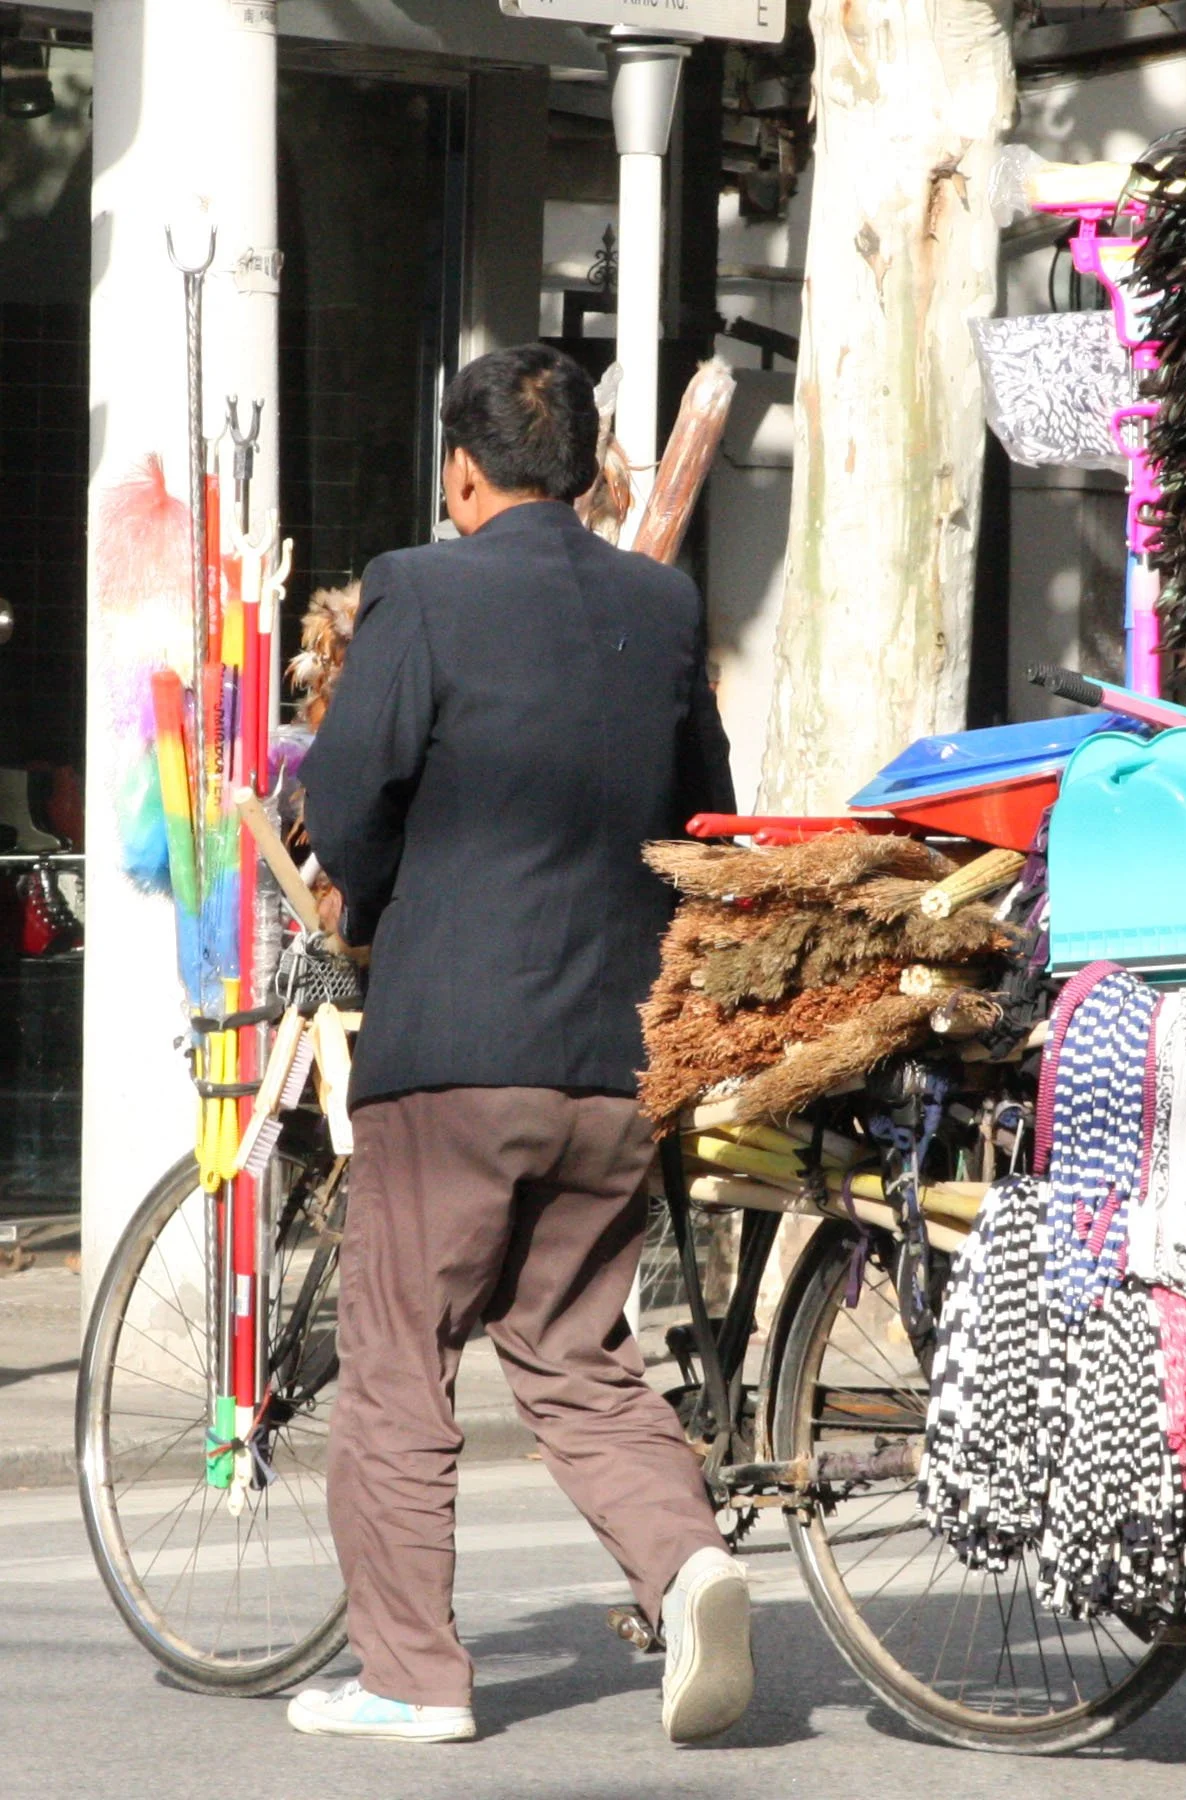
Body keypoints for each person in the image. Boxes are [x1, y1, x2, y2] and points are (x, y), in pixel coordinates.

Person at [288, 343, 749, 1747]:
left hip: (453, 1046)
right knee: (570, 1346)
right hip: (613, 1059)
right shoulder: (661, 605)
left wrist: (368, 906)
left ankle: (413, 1676)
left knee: (396, 1356)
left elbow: (354, 793)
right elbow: (707, 816)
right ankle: (692, 1565)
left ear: (461, 473)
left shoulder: (416, 587)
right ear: (590, 468)